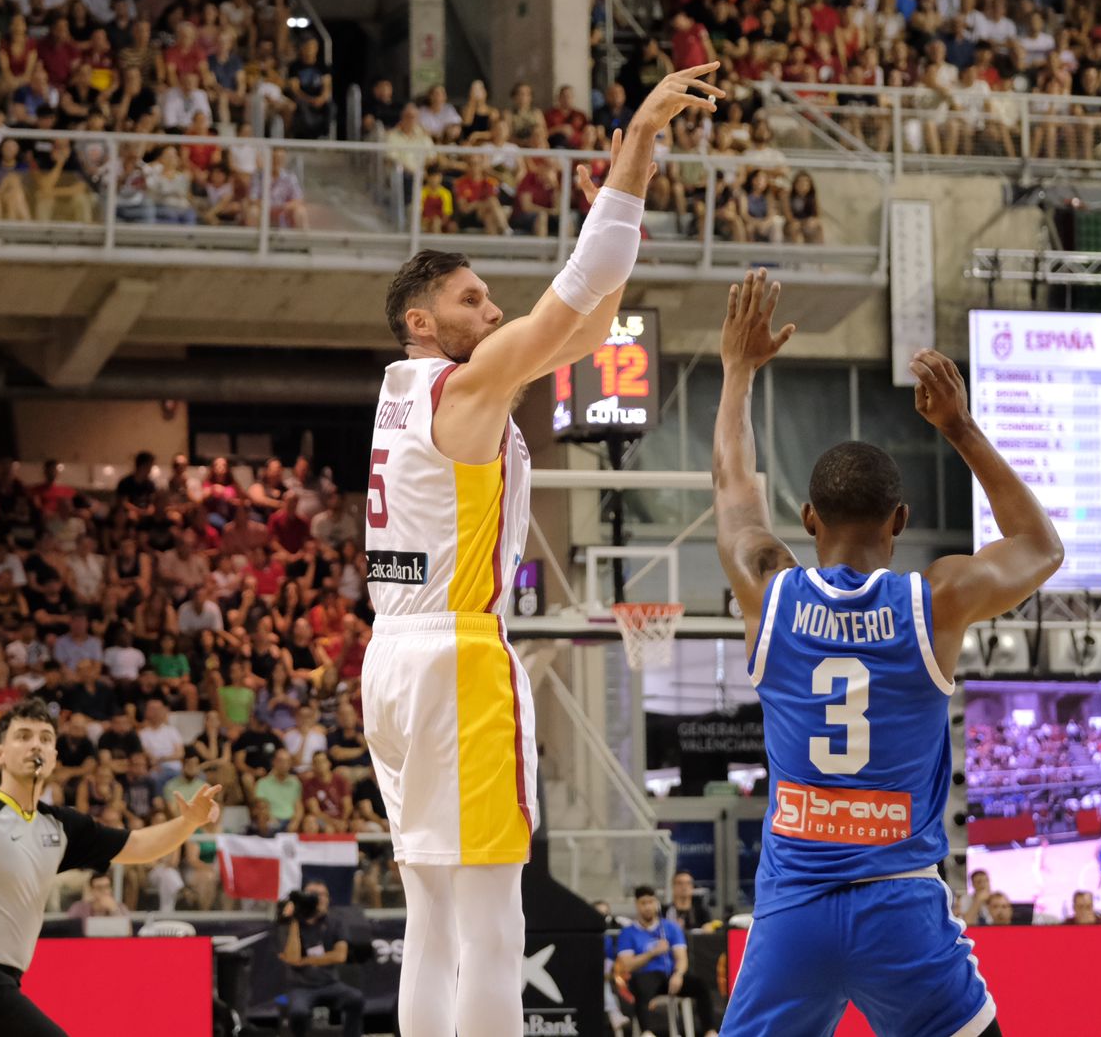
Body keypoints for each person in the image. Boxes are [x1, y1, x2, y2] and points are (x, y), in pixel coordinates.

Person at [362, 61, 721, 1037]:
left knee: (430, 914)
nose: (492, 311)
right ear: (422, 322)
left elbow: (586, 318)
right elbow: (572, 305)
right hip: (455, 654)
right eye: (475, 300)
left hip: (389, 658)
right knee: (494, 917)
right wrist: (637, 143)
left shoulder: (402, 392)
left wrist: (595, 285)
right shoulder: (462, 389)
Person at [709, 271, 1065, 1037]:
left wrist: (738, 369)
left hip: (794, 911)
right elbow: (1040, 546)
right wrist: (960, 429)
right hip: (900, 905)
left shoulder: (767, 590)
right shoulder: (932, 602)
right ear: (899, 520)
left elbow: (733, 484)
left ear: (807, 519)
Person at [0, 697, 222, 1035]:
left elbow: (136, 846)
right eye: (24, 736)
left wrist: (187, 823)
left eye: (46, 739)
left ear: (54, 759)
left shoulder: (61, 827)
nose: (36, 745)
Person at [276, 880, 365, 1037]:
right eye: (314, 895)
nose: (320, 899)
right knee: (298, 1012)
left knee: (355, 999)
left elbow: (340, 955)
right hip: (300, 986)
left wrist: (305, 961)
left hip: (329, 983)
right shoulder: (288, 923)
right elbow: (292, 957)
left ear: (329, 899)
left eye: (324, 895)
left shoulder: (335, 922)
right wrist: (295, 919)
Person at [613, 885, 689, 1037]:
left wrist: (678, 974)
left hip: (669, 977)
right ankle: (647, 1032)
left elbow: (682, 958)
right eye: (643, 903)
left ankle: (710, 1031)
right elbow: (627, 965)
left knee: (700, 986)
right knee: (641, 986)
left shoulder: (670, 928)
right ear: (637, 905)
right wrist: (652, 953)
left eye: (651, 902)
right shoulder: (628, 933)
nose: (648, 907)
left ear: (656, 903)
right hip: (645, 976)